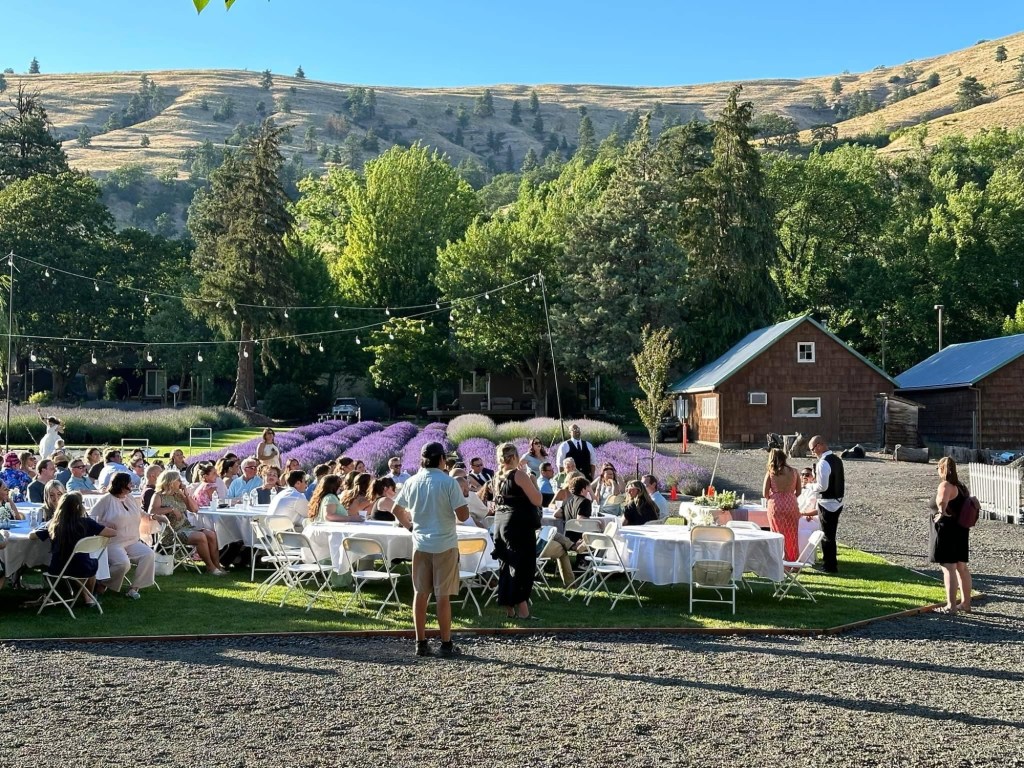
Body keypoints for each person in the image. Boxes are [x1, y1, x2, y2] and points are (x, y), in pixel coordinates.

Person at [390, 441, 469, 657]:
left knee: (420, 593)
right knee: (443, 596)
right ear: (443, 459)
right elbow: (463, 516)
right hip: (445, 543)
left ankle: (420, 642)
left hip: (421, 543)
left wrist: (410, 527)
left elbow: (396, 509)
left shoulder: (412, 481)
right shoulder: (449, 482)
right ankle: (446, 644)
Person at [30, 492, 117, 608]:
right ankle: (89, 596)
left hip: (59, 568)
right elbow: (112, 533)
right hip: (84, 567)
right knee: (90, 564)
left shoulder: (55, 525)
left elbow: (31, 536)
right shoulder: (87, 523)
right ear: (79, 507)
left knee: (75, 564)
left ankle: (87, 597)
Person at [489, 442, 543, 621]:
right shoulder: (519, 475)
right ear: (514, 457)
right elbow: (537, 499)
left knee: (507, 564)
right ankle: (524, 612)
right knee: (524, 567)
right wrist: (534, 481)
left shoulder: (497, 476)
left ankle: (509, 608)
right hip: (518, 525)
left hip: (501, 524)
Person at [90, 472, 158, 599]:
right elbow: (90, 518)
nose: (132, 485)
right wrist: (104, 523)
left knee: (148, 554)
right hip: (113, 542)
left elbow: (140, 512)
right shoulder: (106, 500)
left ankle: (134, 588)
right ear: (122, 485)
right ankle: (102, 584)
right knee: (123, 564)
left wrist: (153, 516)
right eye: (129, 483)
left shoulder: (130, 497)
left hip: (132, 540)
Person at [149, 469, 225, 576]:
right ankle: (210, 567)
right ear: (170, 482)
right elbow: (151, 512)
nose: (181, 482)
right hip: (171, 532)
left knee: (211, 534)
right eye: (178, 480)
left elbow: (194, 509)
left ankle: (217, 565)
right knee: (201, 537)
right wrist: (170, 509)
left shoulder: (178, 495)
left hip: (186, 527)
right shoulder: (158, 496)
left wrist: (186, 494)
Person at [931, 457, 973, 615]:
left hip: (948, 530)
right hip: (961, 530)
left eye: (938, 468)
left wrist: (940, 514)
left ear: (942, 469)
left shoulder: (945, 485)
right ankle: (966, 604)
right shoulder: (961, 487)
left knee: (949, 568)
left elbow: (942, 502)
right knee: (962, 568)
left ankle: (951, 606)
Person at [810, 435, 844, 573]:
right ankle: (830, 562)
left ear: (820, 445)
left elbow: (822, 487)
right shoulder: (837, 459)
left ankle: (829, 566)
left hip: (827, 502)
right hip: (838, 501)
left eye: (812, 449)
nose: (812, 452)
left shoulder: (823, 463)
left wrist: (811, 486)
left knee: (826, 535)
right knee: (831, 534)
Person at [762, 448, 801, 562]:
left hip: (776, 504)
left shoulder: (771, 473)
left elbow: (765, 493)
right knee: (792, 534)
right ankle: (792, 561)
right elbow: (798, 492)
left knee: (777, 533)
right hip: (791, 503)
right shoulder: (794, 471)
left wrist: (774, 496)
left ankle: (778, 560)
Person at [796, 467, 822, 557]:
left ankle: (803, 556)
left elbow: (819, 510)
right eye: (802, 474)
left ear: (813, 478)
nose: (804, 477)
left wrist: (805, 514)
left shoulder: (816, 491)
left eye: (807, 475)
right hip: (797, 516)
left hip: (811, 519)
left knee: (798, 524)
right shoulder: (796, 490)